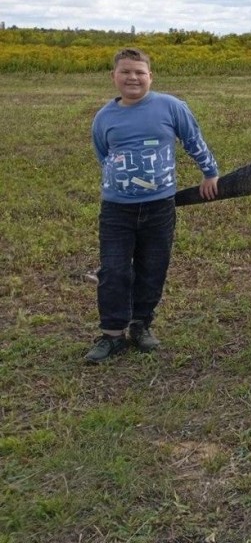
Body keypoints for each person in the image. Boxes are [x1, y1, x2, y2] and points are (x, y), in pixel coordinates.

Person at [87, 48, 219, 363]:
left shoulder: (171, 107)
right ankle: (112, 334)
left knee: (152, 268)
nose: (133, 77)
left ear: (150, 76)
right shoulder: (105, 117)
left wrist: (210, 172)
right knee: (114, 270)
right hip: (117, 210)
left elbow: (193, 140)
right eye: (125, 72)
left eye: (139, 72)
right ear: (114, 77)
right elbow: (103, 153)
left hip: (159, 207)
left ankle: (141, 325)